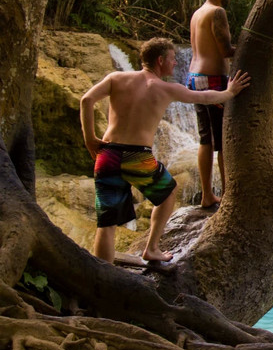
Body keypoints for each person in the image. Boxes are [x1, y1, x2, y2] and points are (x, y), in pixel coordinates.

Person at [80, 38, 250, 264]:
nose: (175, 64)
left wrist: (90, 139)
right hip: (136, 156)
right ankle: (151, 248)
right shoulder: (166, 89)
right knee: (168, 192)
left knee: (107, 222)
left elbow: (86, 99)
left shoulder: (116, 78)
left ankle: (102, 272)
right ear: (160, 60)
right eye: (172, 59)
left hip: (108, 155)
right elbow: (205, 97)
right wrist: (230, 92)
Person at [188, 0, 236, 208]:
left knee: (206, 140)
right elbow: (226, 50)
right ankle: (228, 194)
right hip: (213, 80)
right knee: (224, 140)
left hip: (194, 78)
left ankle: (207, 194)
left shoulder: (198, 13)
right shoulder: (218, 12)